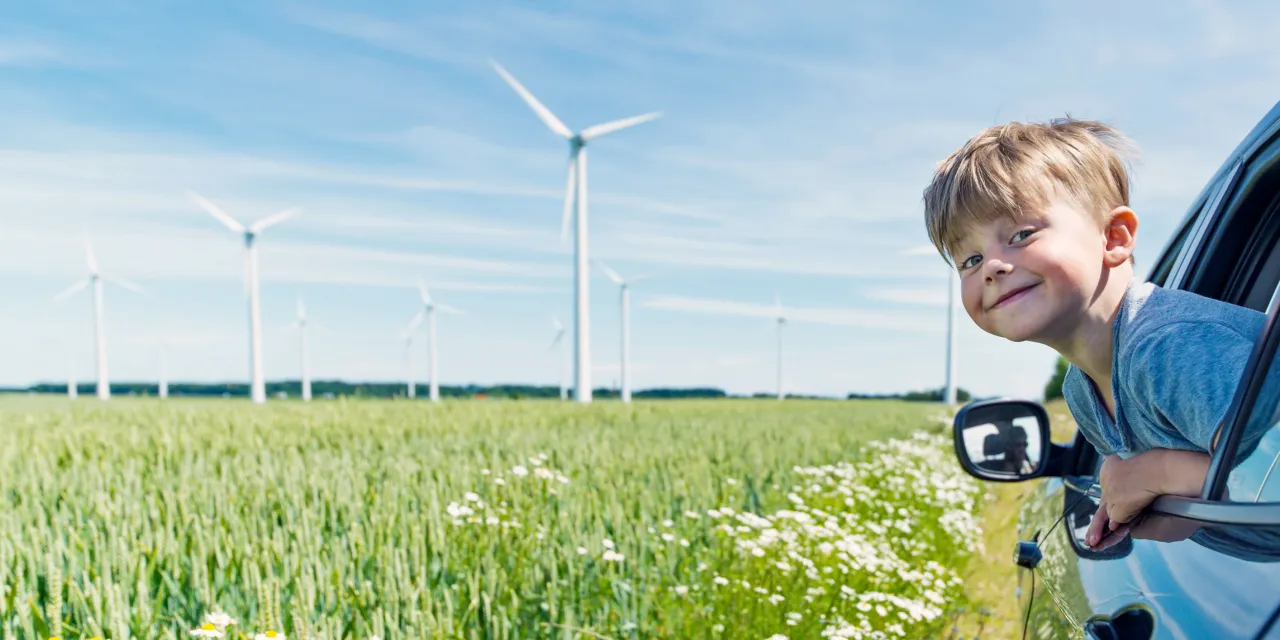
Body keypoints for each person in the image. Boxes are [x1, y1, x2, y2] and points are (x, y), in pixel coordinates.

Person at [921, 118, 1265, 550]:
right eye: (969, 259)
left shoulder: (1166, 346)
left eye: (1021, 234)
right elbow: (1198, 496)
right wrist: (1132, 504)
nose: (992, 266)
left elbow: (1261, 486)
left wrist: (1151, 472)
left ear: (1114, 238)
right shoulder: (1081, 393)